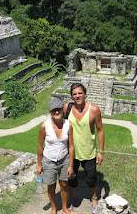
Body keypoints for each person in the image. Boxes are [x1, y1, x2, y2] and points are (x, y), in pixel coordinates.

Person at [63, 83, 105, 214]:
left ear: (85, 94)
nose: (77, 96)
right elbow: (62, 126)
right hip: (71, 152)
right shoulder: (67, 108)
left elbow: (100, 130)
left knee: (91, 178)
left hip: (88, 151)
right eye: (74, 94)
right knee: (71, 178)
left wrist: (101, 151)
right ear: (71, 96)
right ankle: (72, 198)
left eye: (80, 93)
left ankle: (94, 198)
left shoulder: (94, 110)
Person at [37, 98, 75, 214]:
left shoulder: (68, 124)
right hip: (49, 160)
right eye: (54, 111)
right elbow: (40, 146)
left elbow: (71, 146)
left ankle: (64, 207)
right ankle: (54, 208)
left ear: (62, 111)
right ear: (50, 112)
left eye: (58, 109)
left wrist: (71, 165)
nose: (57, 112)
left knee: (64, 184)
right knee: (51, 185)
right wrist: (39, 164)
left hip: (64, 159)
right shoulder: (45, 126)